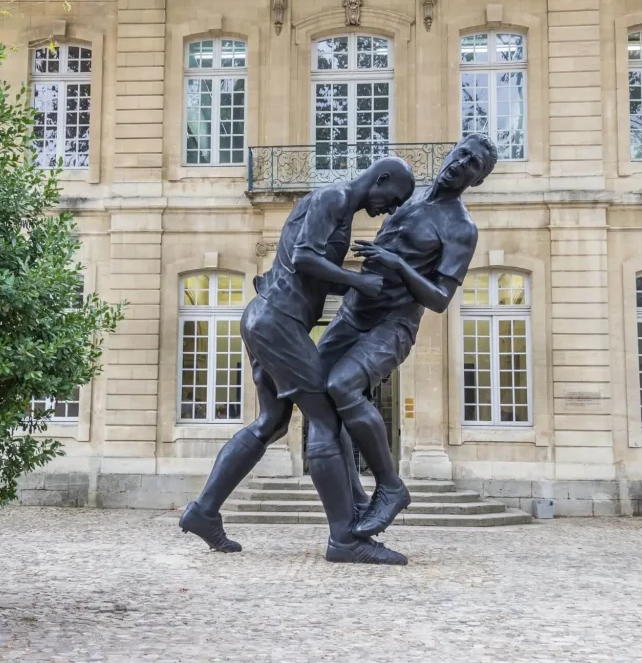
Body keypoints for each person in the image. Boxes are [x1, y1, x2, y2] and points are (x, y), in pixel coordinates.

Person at [180, 156, 416, 565]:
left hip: (267, 319)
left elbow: (310, 272)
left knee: (271, 422)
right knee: (325, 418)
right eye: (394, 199)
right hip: (278, 324)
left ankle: (203, 511)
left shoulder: (335, 206)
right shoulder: (335, 197)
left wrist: (362, 280)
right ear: (380, 179)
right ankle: (345, 539)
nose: (391, 209)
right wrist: (357, 279)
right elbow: (305, 257)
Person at [318, 133, 498, 538]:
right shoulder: (409, 196)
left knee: (341, 385)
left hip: (393, 324)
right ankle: (355, 501)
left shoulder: (460, 229)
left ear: (478, 181)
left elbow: (438, 299)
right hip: (352, 312)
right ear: (450, 149)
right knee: (317, 399)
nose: (462, 163)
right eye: (462, 153)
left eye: (473, 165)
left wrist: (398, 264)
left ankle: (392, 486)